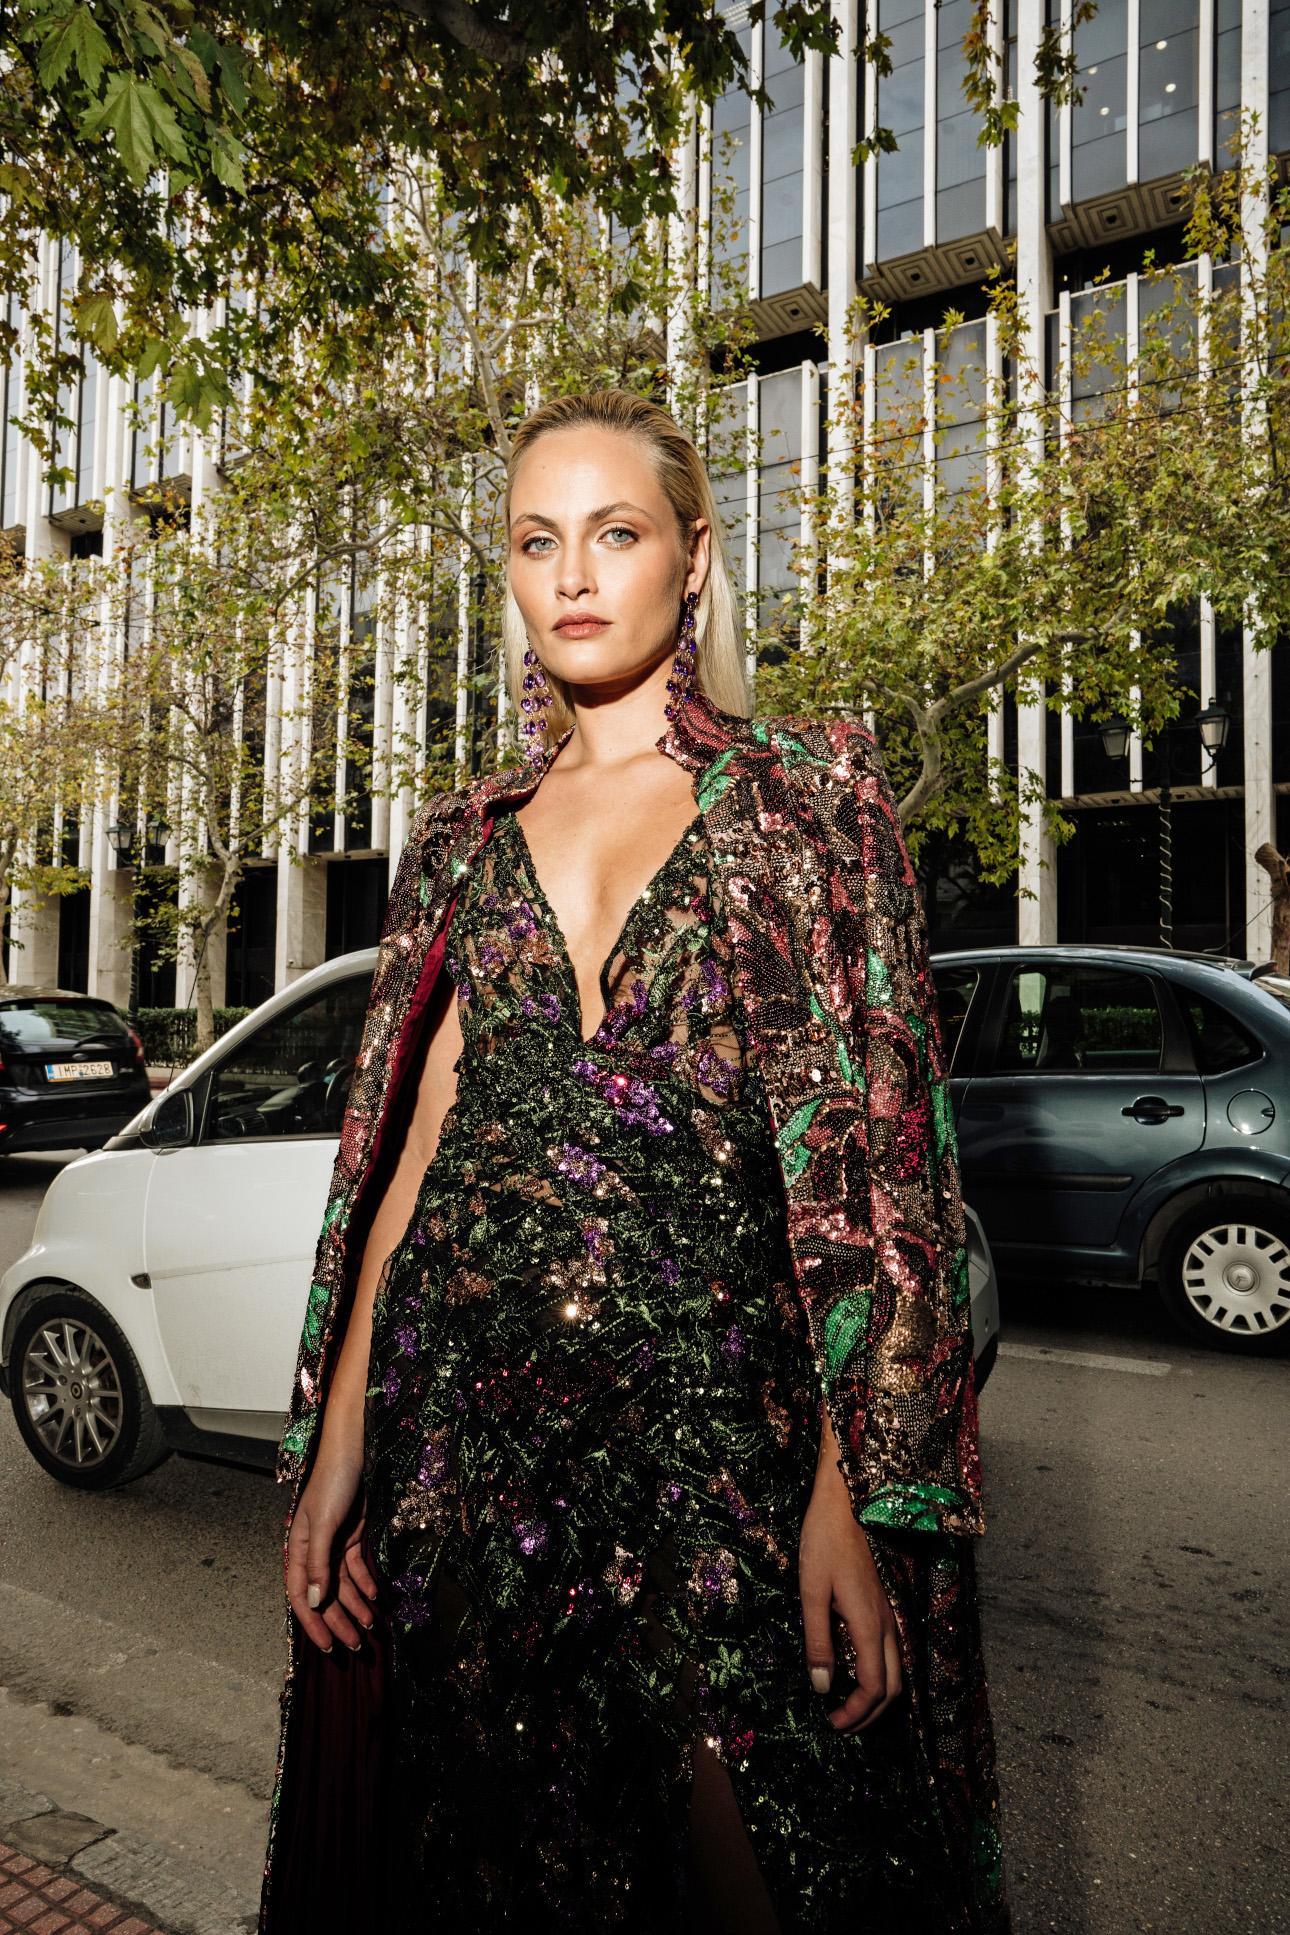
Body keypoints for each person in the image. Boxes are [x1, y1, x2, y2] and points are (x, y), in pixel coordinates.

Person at [258, 389, 1011, 1934]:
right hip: (475, 1457)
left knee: (774, 1860)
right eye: (537, 541)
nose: (574, 575)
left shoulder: (803, 804)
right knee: (500, 1870)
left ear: (694, 557)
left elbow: (886, 1186)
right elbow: (412, 1164)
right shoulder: (464, 839)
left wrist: (847, 1490)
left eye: (614, 532)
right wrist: (339, 1445)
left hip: (719, 1458)